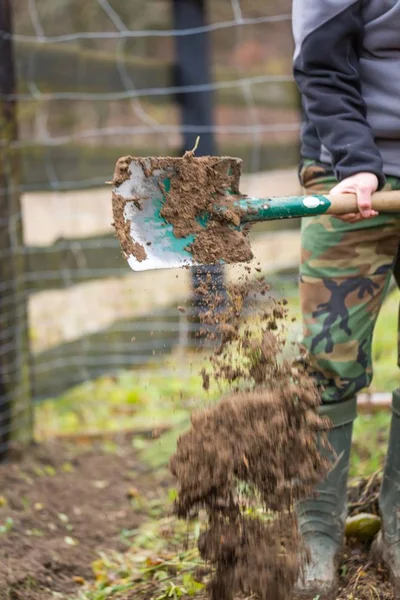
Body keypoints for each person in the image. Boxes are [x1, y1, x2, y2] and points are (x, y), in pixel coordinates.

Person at [291, 1, 400, 597]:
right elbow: (321, 60)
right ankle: (318, 534)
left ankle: (398, 526)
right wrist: (358, 164)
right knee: (327, 358)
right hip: (350, 172)